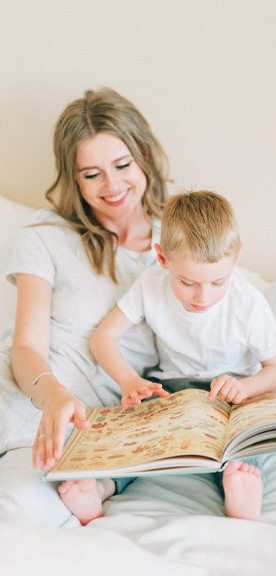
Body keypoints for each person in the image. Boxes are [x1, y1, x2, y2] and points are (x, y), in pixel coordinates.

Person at [59, 191, 276, 524]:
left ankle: (241, 481)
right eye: (188, 282)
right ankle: (104, 485)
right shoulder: (150, 284)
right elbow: (102, 338)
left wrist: (247, 387)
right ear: (163, 258)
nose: (202, 297)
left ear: (236, 257)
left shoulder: (248, 305)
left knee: (249, 426)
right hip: (172, 387)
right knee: (139, 433)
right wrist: (128, 380)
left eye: (218, 282)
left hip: (235, 391)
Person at [2, 87, 170, 487]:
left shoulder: (178, 251)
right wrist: (53, 396)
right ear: (74, 179)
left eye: (122, 164)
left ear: (144, 155)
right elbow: (25, 348)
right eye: (91, 174)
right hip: (23, 390)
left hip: (87, 430)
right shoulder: (46, 237)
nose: (111, 186)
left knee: (21, 514)